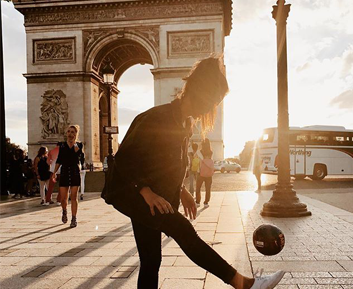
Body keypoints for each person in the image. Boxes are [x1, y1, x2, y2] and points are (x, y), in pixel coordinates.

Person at [102, 56, 284, 289]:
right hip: (141, 197)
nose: (212, 108)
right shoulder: (156, 118)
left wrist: (181, 190)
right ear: (201, 92)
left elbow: (163, 164)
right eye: (213, 100)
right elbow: (125, 159)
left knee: (150, 260)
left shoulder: (183, 124)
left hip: (152, 197)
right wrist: (146, 191)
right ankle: (245, 285)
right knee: (185, 233)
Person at [52, 125, 84, 228]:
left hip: (74, 172)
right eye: (69, 132)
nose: (70, 134)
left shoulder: (79, 145)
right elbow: (59, 160)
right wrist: (54, 172)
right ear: (66, 133)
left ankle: (74, 218)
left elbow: (81, 159)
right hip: (65, 172)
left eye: (72, 132)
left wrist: (76, 149)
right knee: (63, 198)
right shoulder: (61, 146)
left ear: (76, 134)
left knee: (74, 197)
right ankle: (64, 211)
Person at [195, 138, 214, 208]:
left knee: (198, 188)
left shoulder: (199, 152)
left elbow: (197, 161)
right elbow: (212, 162)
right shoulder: (211, 153)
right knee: (208, 189)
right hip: (209, 173)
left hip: (200, 173)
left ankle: (197, 202)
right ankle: (206, 202)